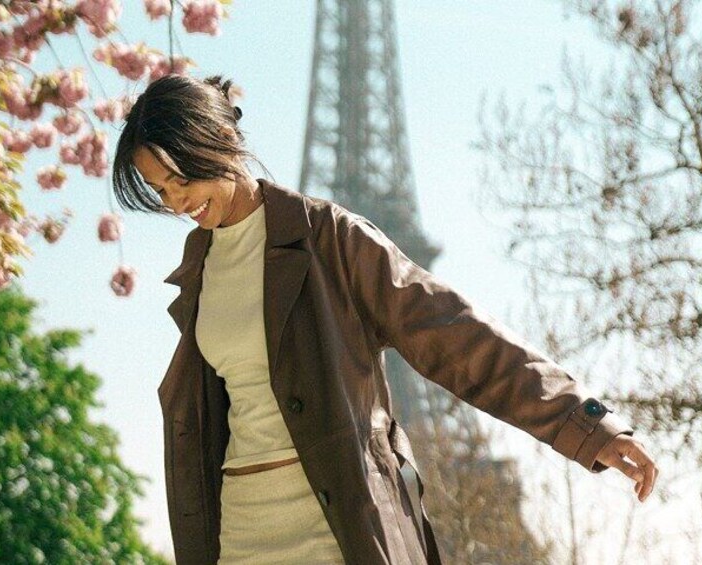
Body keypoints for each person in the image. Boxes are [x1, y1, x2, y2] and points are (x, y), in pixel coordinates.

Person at [112, 73, 659, 565]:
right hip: (243, 532)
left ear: (217, 140)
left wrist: (584, 422)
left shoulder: (329, 237)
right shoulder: (200, 268)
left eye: (180, 179)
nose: (176, 203)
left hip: (335, 529)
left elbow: (453, 331)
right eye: (160, 192)